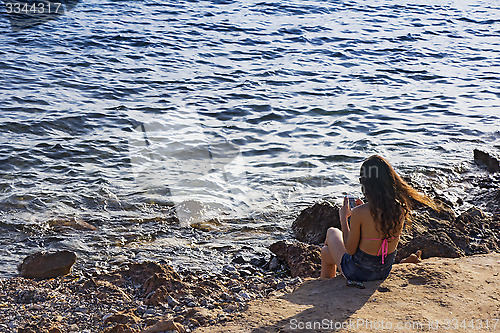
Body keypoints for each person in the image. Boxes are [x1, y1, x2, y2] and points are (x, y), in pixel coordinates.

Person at [320, 155, 439, 282]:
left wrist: (343, 218)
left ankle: (325, 290)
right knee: (326, 252)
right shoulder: (399, 209)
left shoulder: (359, 213)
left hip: (358, 273)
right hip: (383, 272)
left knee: (332, 231)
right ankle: (325, 283)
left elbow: (350, 250)